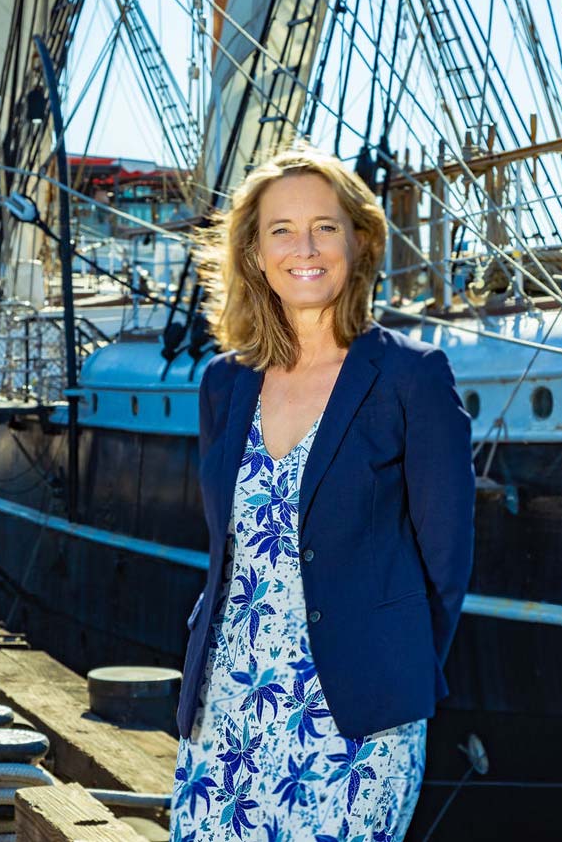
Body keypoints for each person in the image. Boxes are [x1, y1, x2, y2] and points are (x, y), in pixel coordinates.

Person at [170, 144, 475, 841]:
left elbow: (447, 561)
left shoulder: (412, 378)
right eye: (281, 229)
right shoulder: (225, 382)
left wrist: (393, 675)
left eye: (325, 227)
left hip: (358, 716)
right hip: (228, 700)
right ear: (252, 251)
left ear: (359, 241)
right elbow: (227, 548)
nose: (303, 248)